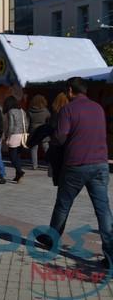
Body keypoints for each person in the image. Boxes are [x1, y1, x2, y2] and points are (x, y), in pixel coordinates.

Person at [37, 77, 113, 267]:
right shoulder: (98, 108)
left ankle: (52, 239)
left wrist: (52, 137)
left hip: (76, 165)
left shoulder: (68, 109)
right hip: (101, 164)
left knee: (63, 205)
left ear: (70, 90)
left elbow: (61, 137)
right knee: (103, 210)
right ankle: (110, 254)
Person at [4, 95, 27, 183]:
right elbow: (27, 123)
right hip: (22, 135)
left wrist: (7, 135)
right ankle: (18, 175)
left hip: (14, 135)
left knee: (12, 156)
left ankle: (20, 172)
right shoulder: (22, 111)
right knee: (17, 156)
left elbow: (11, 125)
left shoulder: (11, 111)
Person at [28, 94, 51, 170]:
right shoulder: (45, 110)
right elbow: (49, 118)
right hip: (43, 130)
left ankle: (34, 165)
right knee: (46, 147)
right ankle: (50, 164)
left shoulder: (30, 111)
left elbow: (28, 122)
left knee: (34, 148)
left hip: (33, 130)